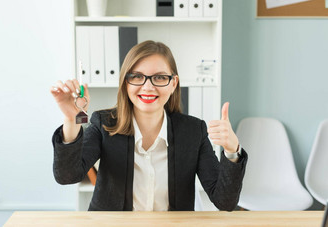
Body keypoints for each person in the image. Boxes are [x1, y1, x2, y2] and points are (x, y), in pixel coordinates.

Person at [50, 40, 248, 211]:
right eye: (137, 76)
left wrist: (232, 150)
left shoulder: (193, 132)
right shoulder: (104, 124)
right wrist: (71, 119)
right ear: (125, 83)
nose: (148, 86)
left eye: (160, 77)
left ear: (173, 83)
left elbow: (225, 202)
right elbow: (67, 176)